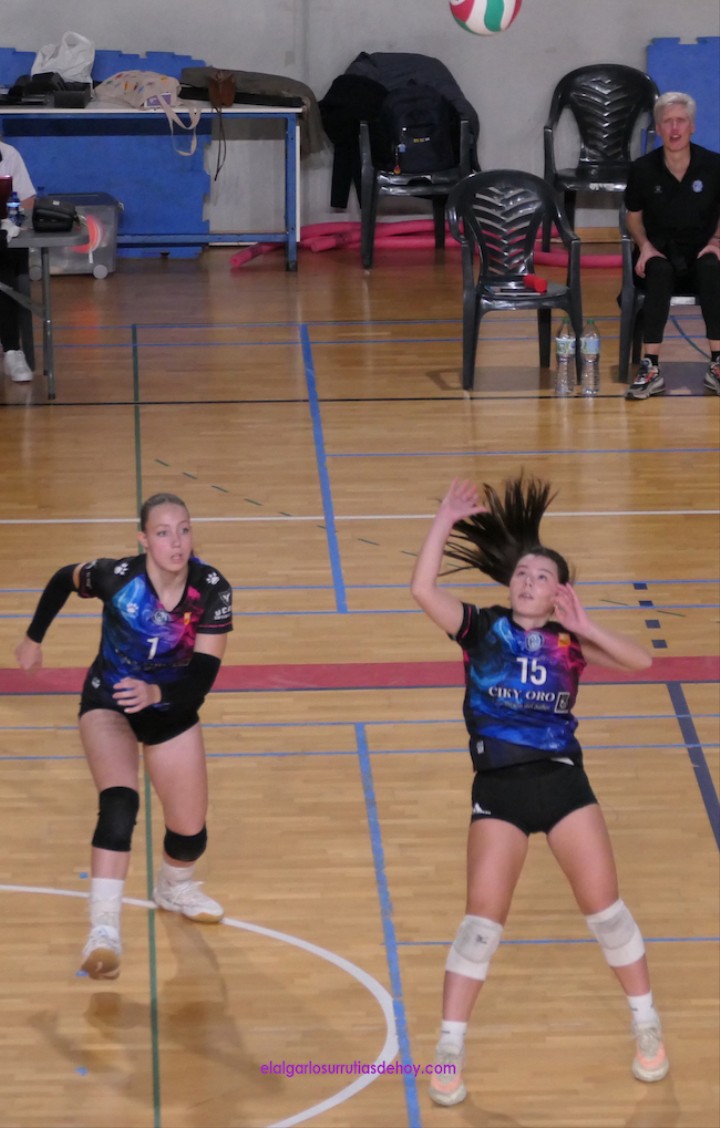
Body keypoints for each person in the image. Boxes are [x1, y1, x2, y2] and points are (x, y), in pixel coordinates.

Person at [410, 476, 669, 1108]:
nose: (529, 581)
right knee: (480, 925)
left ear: (559, 592)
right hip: (498, 789)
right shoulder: (481, 629)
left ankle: (647, 1026)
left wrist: (587, 624)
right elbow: (422, 590)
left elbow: (642, 662)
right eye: (523, 574)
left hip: (562, 783)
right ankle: (448, 1049)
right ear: (510, 585)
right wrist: (444, 519)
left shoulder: (571, 642)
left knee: (607, 914)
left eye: (543, 576)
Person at [15, 493, 233, 980]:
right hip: (109, 703)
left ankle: (173, 888)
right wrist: (33, 637)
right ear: (143, 539)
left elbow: (201, 678)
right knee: (119, 804)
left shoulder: (211, 589)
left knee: (190, 835)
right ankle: (103, 931)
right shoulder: (116, 578)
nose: (176, 542)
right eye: (163, 532)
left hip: (170, 707)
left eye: (183, 530)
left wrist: (156, 692)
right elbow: (63, 577)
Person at [624, 91, 720, 400]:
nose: (675, 128)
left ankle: (718, 363)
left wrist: (716, 241)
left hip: (701, 252)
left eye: (681, 121)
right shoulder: (642, 169)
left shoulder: (714, 165)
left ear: (692, 126)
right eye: (667, 122)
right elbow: (633, 218)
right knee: (658, 270)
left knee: (712, 267)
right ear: (658, 128)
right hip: (659, 251)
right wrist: (644, 245)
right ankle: (651, 367)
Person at [0, 138, 36, 382]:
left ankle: (12, 350)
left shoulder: (8, 154)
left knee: (3, 262)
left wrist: (10, 220)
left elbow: (27, 200)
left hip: (3, 234)